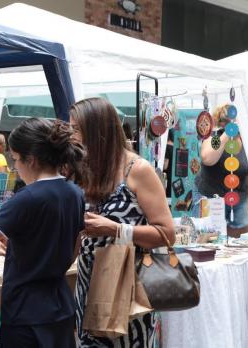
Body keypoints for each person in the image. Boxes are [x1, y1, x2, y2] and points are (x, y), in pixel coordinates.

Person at [0, 118, 86, 348]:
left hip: (25, 311)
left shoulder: (27, 198)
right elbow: (72, 252)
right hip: (60, 306)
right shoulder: (75, 193)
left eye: (16, 159)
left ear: (32, 159)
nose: (15, 167)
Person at [70, 97, 175, 347]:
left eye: (75, 128)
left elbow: (167, 233)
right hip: (88, 282)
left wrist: (115, 229)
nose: (70, 134)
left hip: (128, 287)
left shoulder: (137, 169)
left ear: (96, 130)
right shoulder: (84, 168)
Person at [195, 103, 248, 237]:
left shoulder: (245, 140)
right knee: (213, 241)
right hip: (213, 198)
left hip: (239, 199)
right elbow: (208, 158)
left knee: (240, 243)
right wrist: (228, 133)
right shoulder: (215, 137)